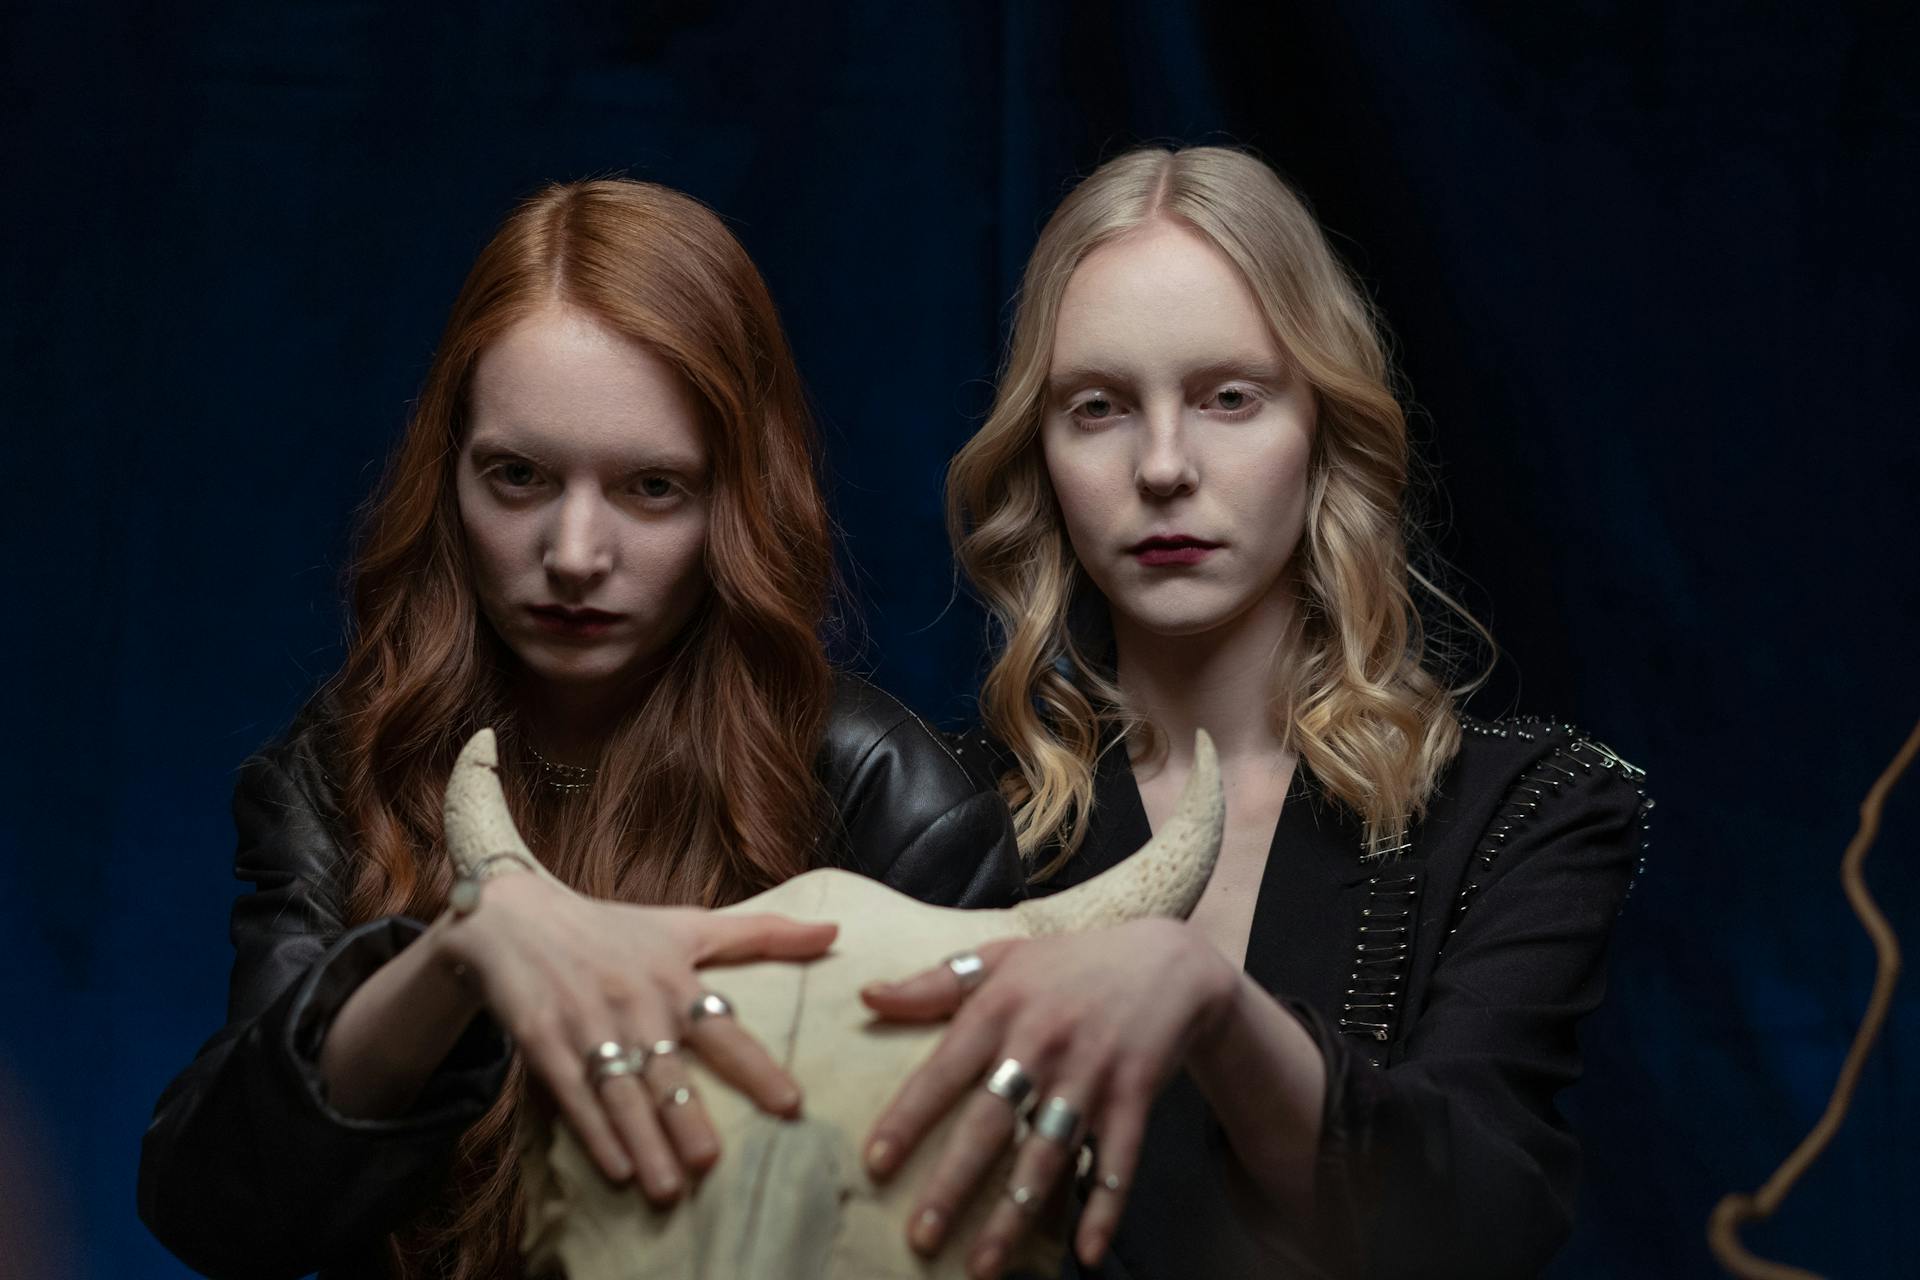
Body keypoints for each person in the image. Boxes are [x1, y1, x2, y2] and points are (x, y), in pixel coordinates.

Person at [137, 178, 1021, 1280]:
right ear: (448, 473)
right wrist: (453, 960)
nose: (571, 550)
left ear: (736, 499)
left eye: (651, 487)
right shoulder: (336, 775)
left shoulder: (894, 804)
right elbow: (217, 1210)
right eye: (518, 475)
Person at [856, 146, 1651, 1279]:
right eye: (1099, 407)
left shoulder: (1530, 807)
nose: (1165, 464)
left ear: (1322, 429)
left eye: (1230, 397)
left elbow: (1472, 1220)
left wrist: (1209, 1004)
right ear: (1042, 451)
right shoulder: (931, 813)